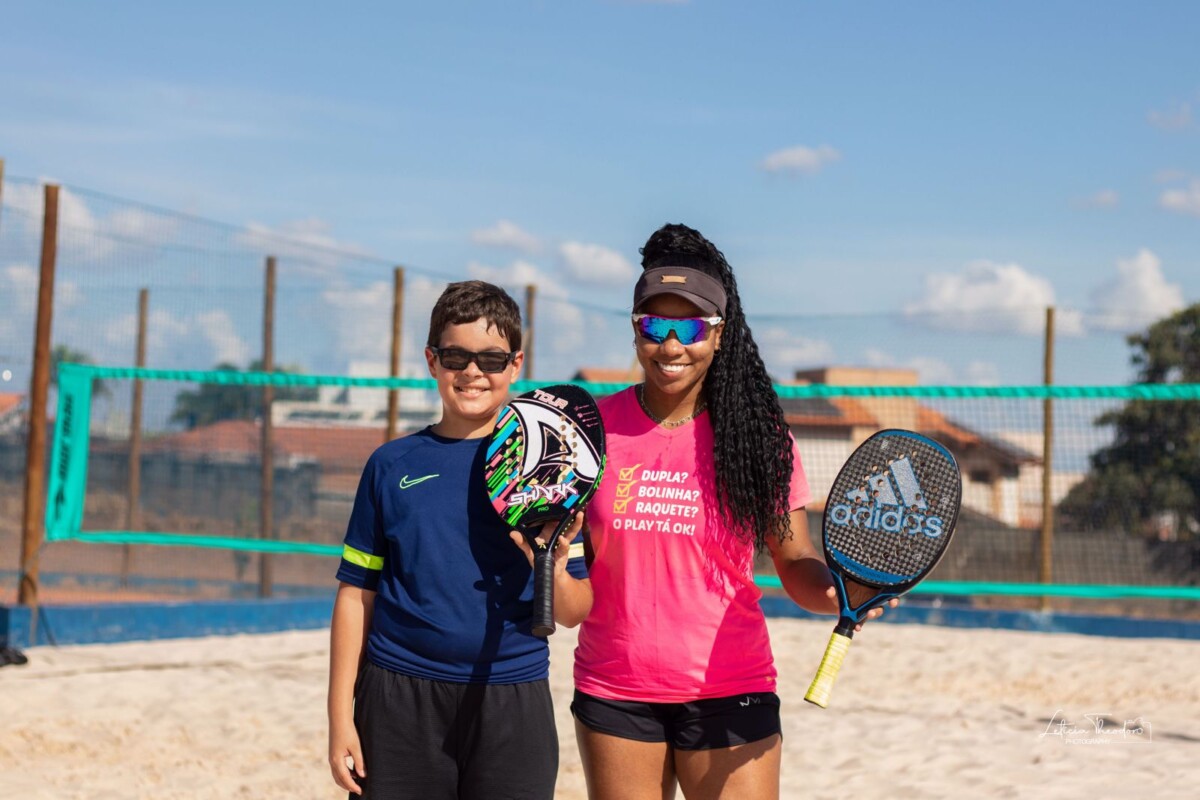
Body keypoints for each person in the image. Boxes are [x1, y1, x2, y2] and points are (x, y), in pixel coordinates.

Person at [571, 224, 894, 800]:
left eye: (690, 326)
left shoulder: (757, 438)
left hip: (728, 684)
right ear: (636, 330)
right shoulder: (593, 429)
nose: (671, 345)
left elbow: (795, 560)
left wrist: (839, 593)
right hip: (615, 686)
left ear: (719, 335)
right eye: (654, 326)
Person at [327, 280, 591, 799]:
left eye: (491, 360)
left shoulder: (550, 469)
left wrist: (553, 565)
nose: (472, 372)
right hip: (398, 693)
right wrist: (340, 718)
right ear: (431, 360)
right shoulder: (391, 464)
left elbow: (575, 611)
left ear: (515, 365)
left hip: (513, 694)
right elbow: (356, 594)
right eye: (455, 356)